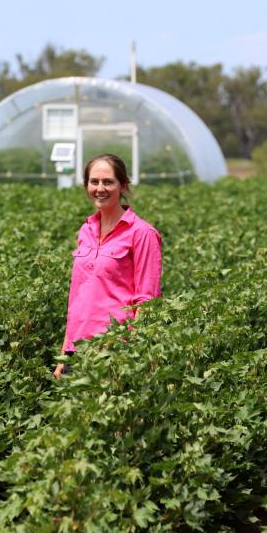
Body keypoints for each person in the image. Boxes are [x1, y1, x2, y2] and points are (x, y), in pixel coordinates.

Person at [53, 154, 162, 380]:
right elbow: (76, 299)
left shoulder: (142, 233)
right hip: (77, 348)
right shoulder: (86, 230)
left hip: (115, 349)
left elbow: (146, 300)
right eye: (94, 182)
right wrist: (64, 354)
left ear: (123, 185)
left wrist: (132, 354)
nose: (100, 188)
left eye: (108, 182)